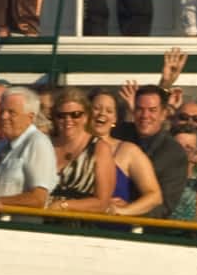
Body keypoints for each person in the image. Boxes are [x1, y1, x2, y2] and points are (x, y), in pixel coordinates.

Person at [87, 90, 165, 218]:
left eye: (109, 111)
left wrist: (121, 211)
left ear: (115, 119)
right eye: (96, 108)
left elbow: (155, 196)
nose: (102, 113)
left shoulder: (128, 151)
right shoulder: (70, 145)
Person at [116, 83, 188, 220]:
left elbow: (165, 207)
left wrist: (127, 210)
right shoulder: (119, 133)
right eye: (139, 109)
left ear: (163, 114)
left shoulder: (174, 153)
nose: (145, 115)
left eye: (152, 110)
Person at [0, 86, 57, 212]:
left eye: (11, 112)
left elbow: (38, 199)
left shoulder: (37, 143)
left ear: (30, 117)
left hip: (15, 227)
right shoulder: (3, 144)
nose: (3, 117)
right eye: (2, 111)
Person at [46, 88, 118, 213]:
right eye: (61, 115)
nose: (68, 120)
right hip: (37, 219)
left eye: (75, 115)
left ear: (86, 116)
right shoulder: (45, 144)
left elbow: (102, 202)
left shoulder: (99, 149)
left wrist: (63, 205)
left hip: (78, 223)